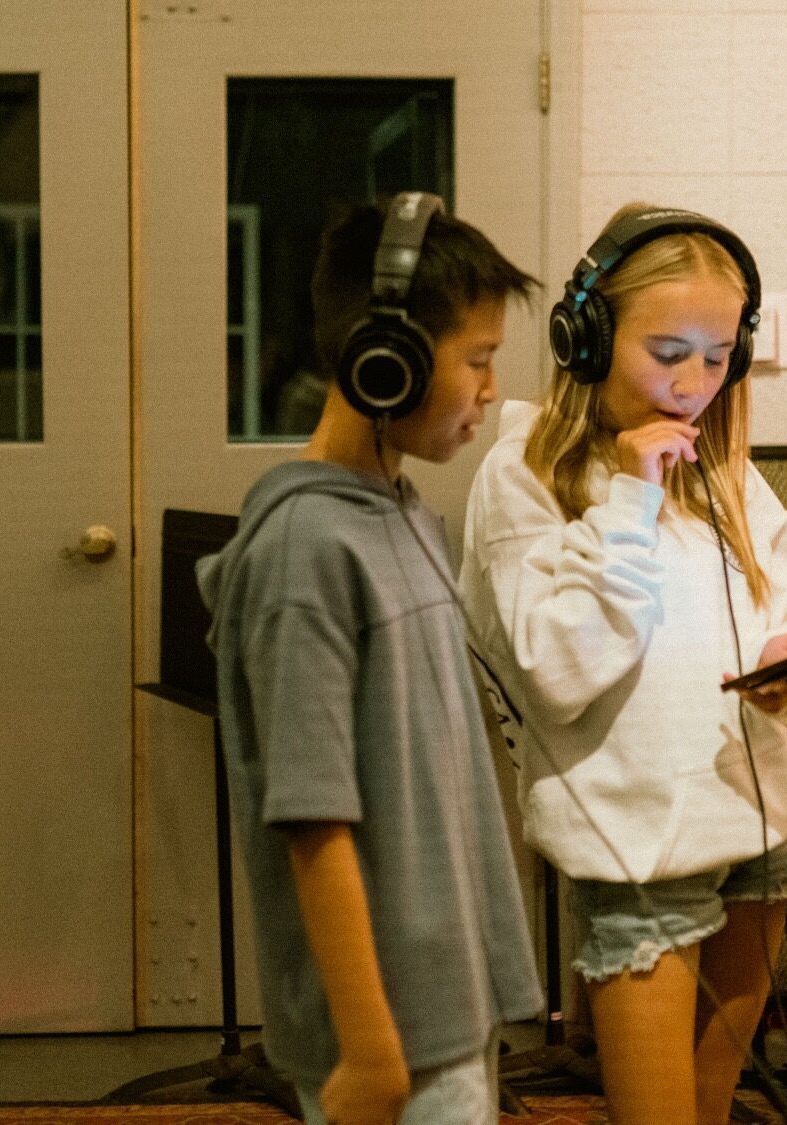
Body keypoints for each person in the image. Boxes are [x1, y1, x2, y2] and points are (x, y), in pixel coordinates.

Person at [461, 204, 787, 1124]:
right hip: (638, 840)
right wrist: (631, 499)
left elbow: (773, 612)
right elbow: (559, 668)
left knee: (712, 1109)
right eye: (667, 353)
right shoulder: (524, 475)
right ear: (585, 337)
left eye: (719, 356)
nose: (693, 384)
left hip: (760, 816)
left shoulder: (730, 475)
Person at [197, 192, 543, 1125]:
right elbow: (313, 815)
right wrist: (368, 1044)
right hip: (389, 1032)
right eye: (477, 359)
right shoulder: (305, 551)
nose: (490, 390)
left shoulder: (403, 515)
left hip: (448, 1001)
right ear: (385, 360)